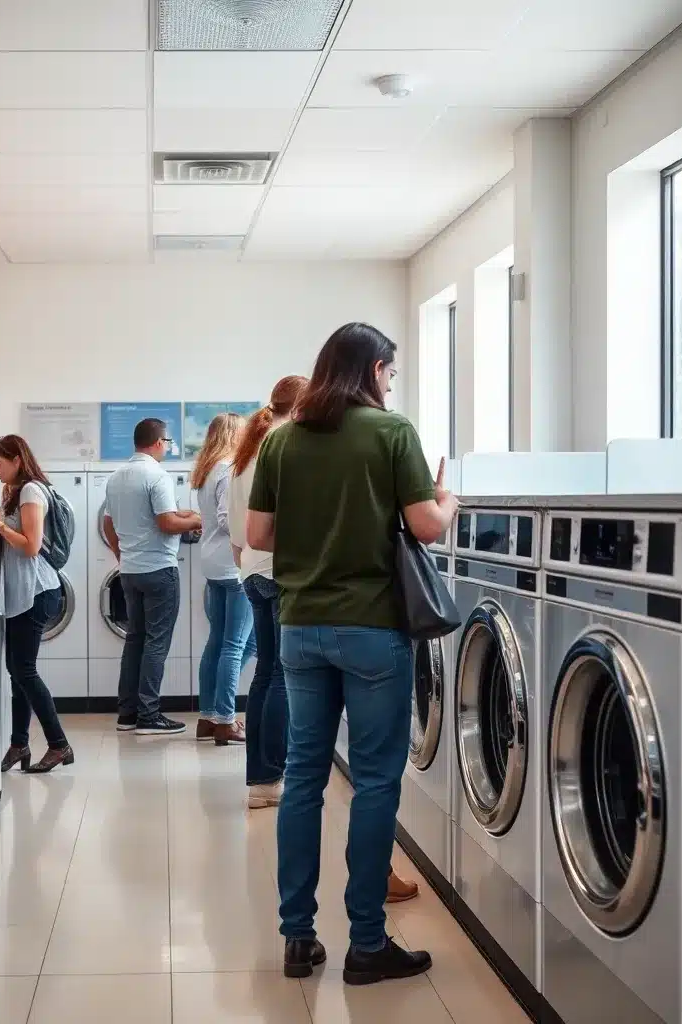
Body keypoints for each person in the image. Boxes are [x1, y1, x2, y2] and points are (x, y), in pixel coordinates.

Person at [246, 323, 458, 986]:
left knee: (304, 779)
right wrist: (450, 497)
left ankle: (297, 938)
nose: (391, 384)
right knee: (373, 781)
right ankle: (367, 943)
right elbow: (426, 525)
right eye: (390, 373)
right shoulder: (392, 433)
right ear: (375, 370)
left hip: (301, 627)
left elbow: (258, 535)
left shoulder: (281, 441)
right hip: (371, 630)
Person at [228, 376, 306, 805]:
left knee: (264, 674)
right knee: (280, 674)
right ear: (300, 408)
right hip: (278, 568)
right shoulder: (283, 448)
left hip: (252, 571)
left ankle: (260, 777)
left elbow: (236, 531)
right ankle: (271, 777)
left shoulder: (245, 454)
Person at [103, 418, 202, 736]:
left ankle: (127, 714)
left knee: (134, 641)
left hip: (130, 571)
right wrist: (198, 519)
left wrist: (122, 555)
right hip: (159, 570)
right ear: (159, 442)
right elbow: (166, 524)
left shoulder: (116, 477)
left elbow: (108, 525)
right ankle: (149, 715)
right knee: (156, 643)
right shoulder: (157, 476)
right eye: (168, 443)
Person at [0, 434, 74, 774]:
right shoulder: (15, 492)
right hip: (25, 592)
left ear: (17, 460)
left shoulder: (31, 490)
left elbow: (32, 545)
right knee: (17, 670)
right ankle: (19, 744)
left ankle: (58, 744)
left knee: (23, 670)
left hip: (37, 592)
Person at [190, 413, 255, 746]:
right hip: (233, 566)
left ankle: (208, 716)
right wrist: (257, 532)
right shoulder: (230, 469)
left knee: (220, 641)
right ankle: (226, 720)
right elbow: (227, 520)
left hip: (213, 564)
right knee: (235, 644)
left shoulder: (207, 470)